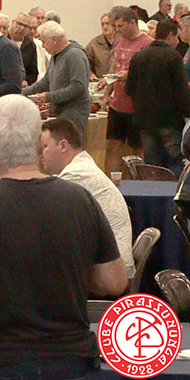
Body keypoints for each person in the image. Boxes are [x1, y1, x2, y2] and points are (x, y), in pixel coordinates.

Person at [0, 95, 127, 380]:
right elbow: (114, 281)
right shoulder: (79, 199)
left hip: (1, 362)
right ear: (39, 147)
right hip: (69, 361)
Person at [41, 117, 135, 277]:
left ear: (63, 146)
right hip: (109, 266)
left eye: (44, 146)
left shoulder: (76, 176)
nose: (40, 154)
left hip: (111, 276)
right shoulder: (81, 167)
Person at [126, 18, 190, 176]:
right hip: (170, 121)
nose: (178, 42)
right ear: (170, 35)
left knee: (152, 166)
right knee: (175, 162)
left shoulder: (138, 57)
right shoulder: (174, 57)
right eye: (176, 37)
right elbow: (182, 91)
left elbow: (129, 89)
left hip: (145, 121)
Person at [100, 5, 154, 173]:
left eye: (120, 26)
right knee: (112, 145)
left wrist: (129, 75)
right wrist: (107, 93)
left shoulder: (147, 44)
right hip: (118, 104)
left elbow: (149, 75)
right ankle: (112, 182)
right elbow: (114, 67)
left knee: (138, 148)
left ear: (132, 23)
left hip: (136, 106)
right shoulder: (121, 40)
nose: (117, 30)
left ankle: (139, 181)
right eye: (115, 26)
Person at [23, 21, 91, 133]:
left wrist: (49, 96)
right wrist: (25, 92)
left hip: (74, 112)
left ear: (54, 40)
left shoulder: (75, 55)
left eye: (44, 42)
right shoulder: (55, 55)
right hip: (61, 111)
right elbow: (46, 81)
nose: (43, 46)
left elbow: (78, 87)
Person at [86, 13, 116, 81]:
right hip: (100, 82)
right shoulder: (94, 43)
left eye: (107, 24)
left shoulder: (122, 41)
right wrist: (90, 74)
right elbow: (85, 62)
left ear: (114, 25)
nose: (105, 27)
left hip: (118, 83)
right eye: (102, 24)